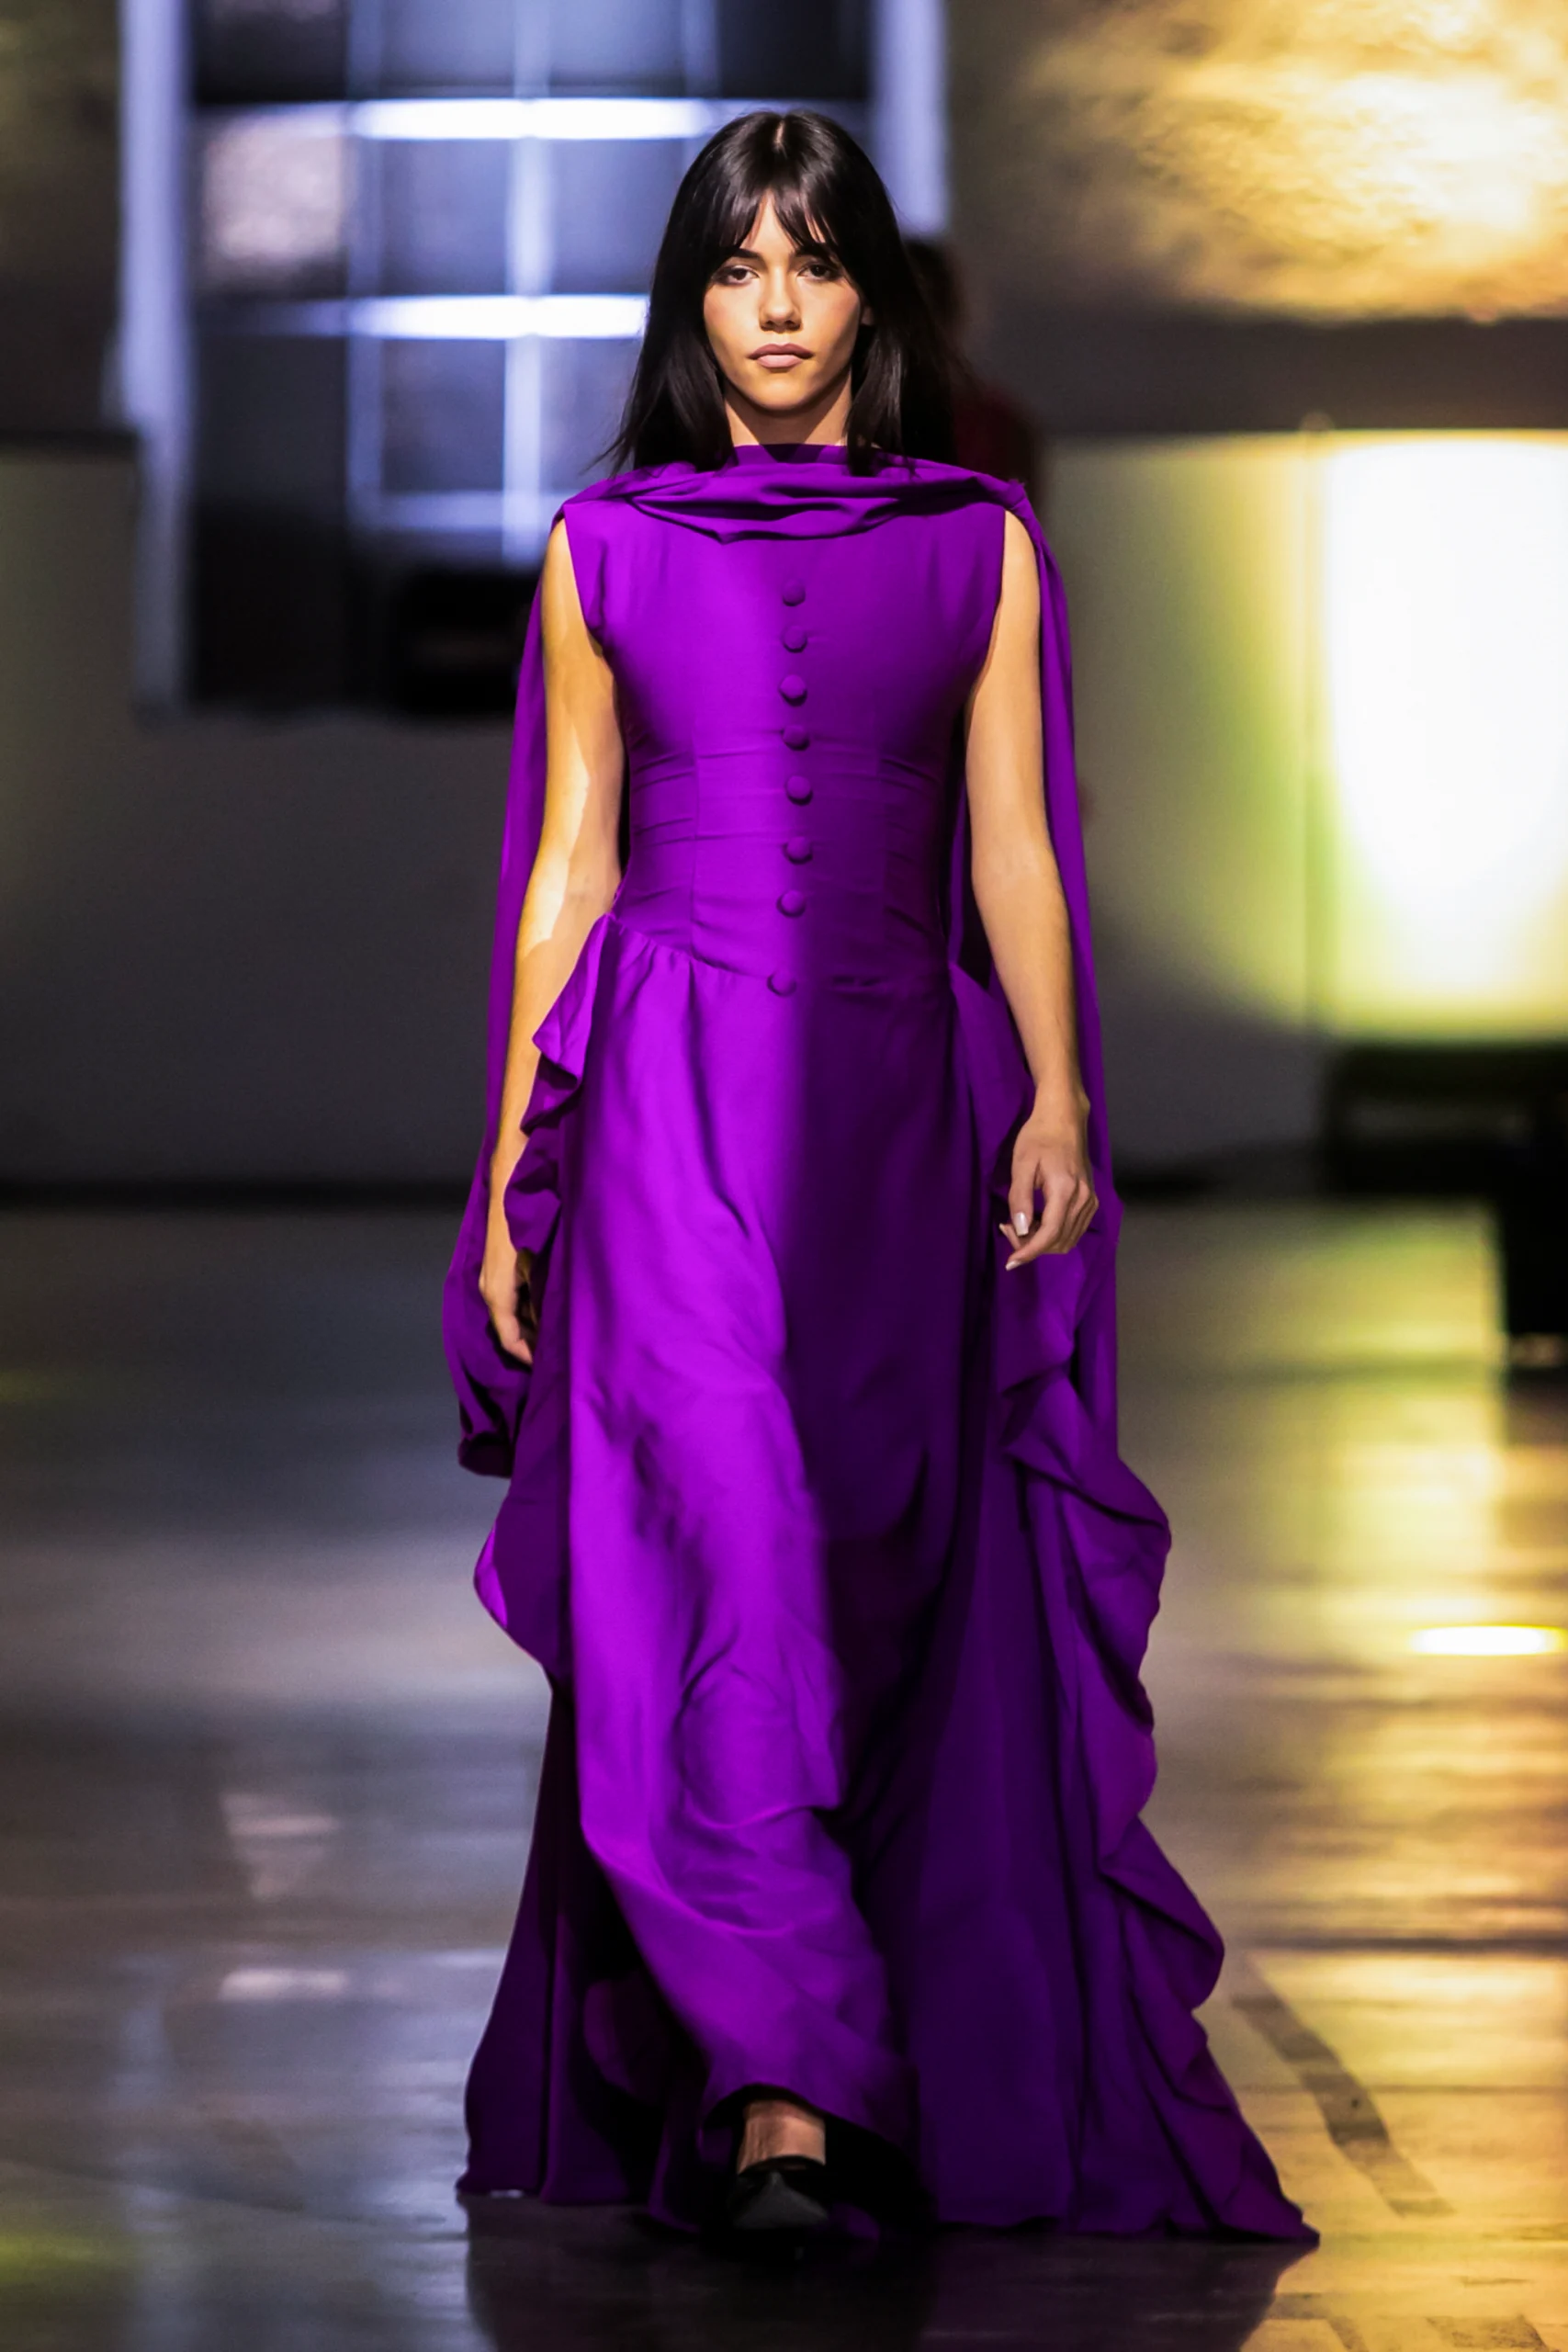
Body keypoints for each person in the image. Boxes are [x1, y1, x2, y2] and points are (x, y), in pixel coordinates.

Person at [443, 109, 1311, 2250]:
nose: (775, 305)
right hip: (666, 1106)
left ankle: (828, 2051)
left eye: (814, 263)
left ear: (869, 296)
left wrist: (1062, 1095)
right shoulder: (602, 548)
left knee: (864, 1569)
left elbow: (1015, 839)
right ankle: (786, 2102)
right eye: (738, 265)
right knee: (714, 1549)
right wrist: (508, 1170)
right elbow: (569, 868)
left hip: (900, 1107)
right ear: (690, 299)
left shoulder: (979, 544)